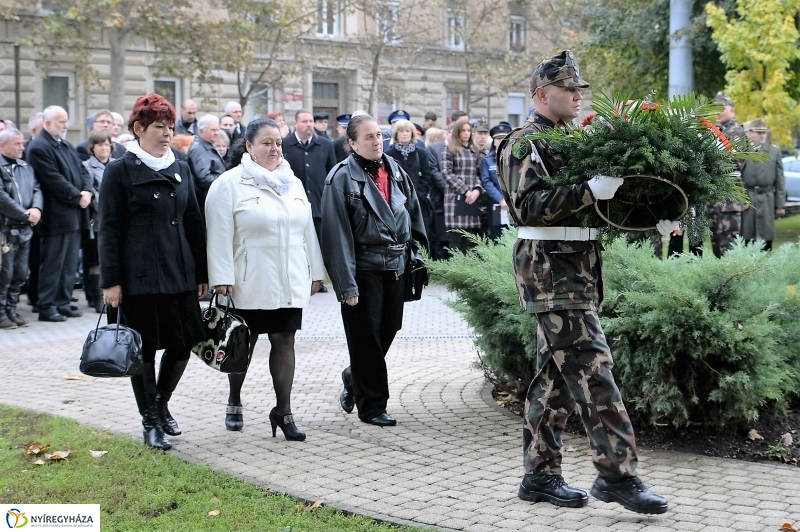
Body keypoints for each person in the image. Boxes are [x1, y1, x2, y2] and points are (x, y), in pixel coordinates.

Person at [496, 49, 669, 514]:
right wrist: (589, 188)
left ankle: (540, 476)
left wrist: (650, 214)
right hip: (550, 274)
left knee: (551, 380)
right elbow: (528, 206)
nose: (576, 96)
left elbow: (595, 208)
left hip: (577, 270)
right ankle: (617, 475)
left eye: (578, 90)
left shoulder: (574, 140)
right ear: (540, 94)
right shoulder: (522, 143)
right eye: (567, 89)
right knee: (594, 370)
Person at [99, 93, 208, 450]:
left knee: (183, 342)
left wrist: (202, 272)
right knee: (143, 350)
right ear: (138, 128)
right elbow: (109, 228)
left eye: (171, 127)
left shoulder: (180, 165)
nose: (167, 133)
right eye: (160, 127)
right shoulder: (120, 169)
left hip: (180, 271)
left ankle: (161, 403)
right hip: (139, 276)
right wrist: (111, 281)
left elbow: (195, 221)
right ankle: (149, 421)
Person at [205, 118, 325, 439]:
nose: (274, 149)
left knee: (284, 340)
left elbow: (307, 230)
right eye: (267, 143)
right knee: (244, 343)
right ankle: (234, 400)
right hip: (249, 277)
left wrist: (316, 271)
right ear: (249, 147)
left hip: (288, 277)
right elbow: (218, 235)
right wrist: (221, 277)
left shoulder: (292, 183)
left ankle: (283, 412)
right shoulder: (228, 184)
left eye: (278, 143)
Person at [322, 114, 428, 427]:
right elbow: (335, 236)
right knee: (365, 339)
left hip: (395, 266)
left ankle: (353, 376)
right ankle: (372, 407)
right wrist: (346, 286)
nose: (376, 141)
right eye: (368, 137)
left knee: (389, 329)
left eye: (378, 135)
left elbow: (413, 214)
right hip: (363, 268)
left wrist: (419, 256)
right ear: (352, 144)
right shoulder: (340, 178)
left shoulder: (395, 170)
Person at [26, 105, 94, 322]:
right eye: (61, 122)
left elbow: (83, 171)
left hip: (73, 214)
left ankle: (63, 302)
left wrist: (87, 191)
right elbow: (52, 180)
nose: (66, 126)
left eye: (66, 121)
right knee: (53, 263)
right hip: (55, 216)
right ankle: (47, 305)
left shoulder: (64, 144)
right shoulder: (39, 147)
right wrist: (78, 196)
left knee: (69, 263)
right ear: (47, 124)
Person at [282, 109, 337, 293]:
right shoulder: (285, 145)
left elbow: (332, 175)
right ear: (296, 123)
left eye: (311, 121)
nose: (309, 125)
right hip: (293, 204)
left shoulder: (326, 145)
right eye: (305, 121)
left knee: (318, 244)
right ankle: (297, 277)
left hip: (318, 202)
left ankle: (318, 280)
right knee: (297, 243)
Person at [0, 128, 42, 329]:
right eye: (17, 144)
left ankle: (11, 309)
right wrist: (24, 214)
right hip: (6, 230)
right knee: (5, 274)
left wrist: (37, 208)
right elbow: (1, 197)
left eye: (21, 143)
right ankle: (1, 314)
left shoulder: (25, 166)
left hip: (25, 229)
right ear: (2, 145)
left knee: (21, 273)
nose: (22, 147)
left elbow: (36, 188)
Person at [706, 92, 745, 258]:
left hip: (729, 200)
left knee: (729, 245)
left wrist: (711, 163)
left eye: (721, 108)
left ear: (731, 110)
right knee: (715, 244)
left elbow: (738, 162)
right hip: (714, 198)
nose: (718, 112)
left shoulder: (737, 132)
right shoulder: (713, 131)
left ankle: (732, 282)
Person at [81, 130, 116, 313]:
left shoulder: (117, 165)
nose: (104, 148)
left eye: (106, 144)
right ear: (92, 148)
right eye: (100, 145)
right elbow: (92, 193)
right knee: (95, 260)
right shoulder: (86, 166)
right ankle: (96, 298)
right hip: (97, 219)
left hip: (117, 219)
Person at [741, 118, 785, 251]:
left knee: (766, 238)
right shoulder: (742, 151)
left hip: (767, 199)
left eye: (764, 132)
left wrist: (780, 205)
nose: (762, 135)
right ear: (749, 133)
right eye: (758, 132)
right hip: (747, 199)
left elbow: (780, 180)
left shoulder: (774, 152)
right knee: (746, 237)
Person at [442, 117, 482, 252]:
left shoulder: (474, 150)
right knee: (456, 239)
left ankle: (467, 272)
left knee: (468, 240)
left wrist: (477, 190)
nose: (466, 133)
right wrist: (465, 190)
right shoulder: (449, 149)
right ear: (457, 132)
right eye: (463, 130)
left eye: (469, 130)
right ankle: (456, 271)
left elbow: (477, 173)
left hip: (472, 198)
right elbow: (446, 173)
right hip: (455, 197)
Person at [384, 118, 433, 202]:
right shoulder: (388, 154)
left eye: (407, 131)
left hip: (417, 199)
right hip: (397, 200)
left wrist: (421, 195)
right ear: (396, 134)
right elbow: (386, 177)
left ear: (412, 134)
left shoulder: (421, 153)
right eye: (401, 131)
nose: (405, 134)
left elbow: (427, 176)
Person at [188, 114, 226, 214]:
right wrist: (225, 179)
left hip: (213, 197)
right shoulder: (198, 149)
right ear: (201, 131)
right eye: (213, 130)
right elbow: (204, 178)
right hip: (205, 201)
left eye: (217, 130)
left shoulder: (206, 145)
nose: (217, 133)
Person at [480, 122, 512, 241]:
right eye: (499, 138)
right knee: (497, 238)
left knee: (512, 238)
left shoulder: (516, 160)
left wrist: (510, 200)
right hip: (496, 205)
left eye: (504, 138)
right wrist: (501, 199)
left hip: (513, 205)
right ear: (494, 141)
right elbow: (486, 182)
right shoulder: (487, 161)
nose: (502, 141)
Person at [425, 127, 449, 260]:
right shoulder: (434, 149)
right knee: (439, 236)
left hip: (458, 200)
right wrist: (449, 190)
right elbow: (434, 172)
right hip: (439, 199)